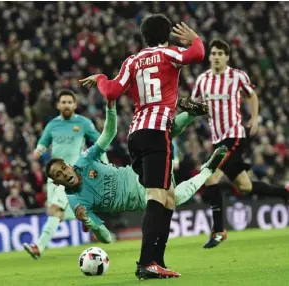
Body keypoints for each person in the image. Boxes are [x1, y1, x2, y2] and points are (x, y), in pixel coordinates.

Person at [79, 15, 205, 279]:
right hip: (159, 132)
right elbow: (198, 53)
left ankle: (157, 260)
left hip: (136, 135)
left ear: (143, 36)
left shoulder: (132, 61)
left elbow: (111, 92)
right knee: (157, 196)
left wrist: (102, 77)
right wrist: (193, 38)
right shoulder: (170, 53)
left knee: (168, 196)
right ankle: (146, 263)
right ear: (166, 35)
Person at [44, 99, 227, 269]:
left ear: (68, 165)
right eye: (58, 174)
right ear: (55, 182)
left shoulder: (84, 162)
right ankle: (207, 170)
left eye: (63, 168)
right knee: (176, 197)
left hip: (140, 173)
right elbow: (107, 239)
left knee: (157, 138)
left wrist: (110, 107)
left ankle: (192, 114)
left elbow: (108, 134)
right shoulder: (77, 202)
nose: (64, 173)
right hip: (141, 200)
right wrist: (87, 222)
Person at [190, 39, 289, 249]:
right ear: (209, 57)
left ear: (227, 57)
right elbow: (195, 105)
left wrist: (254, 118)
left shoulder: (237, 76)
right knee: (245, 187)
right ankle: (284, 193)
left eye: (220, 53)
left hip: (234, 136)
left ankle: (218, 231)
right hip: (217, 140)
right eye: (213, 53)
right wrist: (190, 108)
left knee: (209, 176)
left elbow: (251, 95)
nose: (216, 56)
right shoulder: (203, 80)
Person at [23, 89, 108, 258]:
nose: (67, 105)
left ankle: (38, 248)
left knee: (56, 208)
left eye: (70, 102)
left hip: (71, 174)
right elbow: (43, 142)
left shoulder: (83, 123)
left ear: (75, 105)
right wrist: (38, 150)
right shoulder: (52, 124)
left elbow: (100, 142)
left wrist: (105, 163)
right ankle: (87, 217)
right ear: (58, 105)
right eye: (63, 102)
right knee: (58, 214)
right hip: (53, 176)